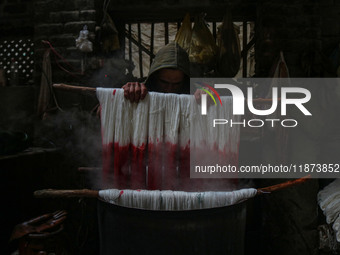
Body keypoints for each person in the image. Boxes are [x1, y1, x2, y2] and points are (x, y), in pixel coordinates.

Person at [122, 41, 190, 103]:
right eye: (164, 82)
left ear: (184, 80)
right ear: (155, 76)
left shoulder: (193, 90)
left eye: (177, 84)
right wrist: (130, 91)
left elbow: (201, 108)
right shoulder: (142, 91)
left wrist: (200, 92)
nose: (169, 90)